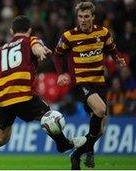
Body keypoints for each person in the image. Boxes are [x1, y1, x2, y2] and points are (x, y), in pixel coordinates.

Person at [0, 15, 87, 170]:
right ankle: (63, 145)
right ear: (30, 30)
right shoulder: (30, 40)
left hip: (2, 99)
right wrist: (41, 52)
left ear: (12, 31)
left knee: (1, 138)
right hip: (22, 95)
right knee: (51, 117)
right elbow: (36, 47)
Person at [53, 1, 126, 170]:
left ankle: (77, 154)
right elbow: (57, 55)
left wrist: (117, 58)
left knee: (100, 130)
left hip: (99, 83)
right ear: (77, 18)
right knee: (100, 110)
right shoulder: (69, 36)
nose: (83, 20)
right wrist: (61, 73)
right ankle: (88, 152)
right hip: (82, 83)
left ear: (93, 17)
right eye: (80, 17)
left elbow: (111, 48)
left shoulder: (103, 32)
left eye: (86, 16)